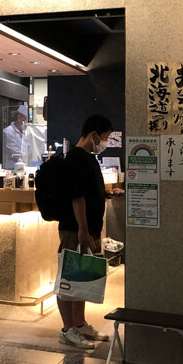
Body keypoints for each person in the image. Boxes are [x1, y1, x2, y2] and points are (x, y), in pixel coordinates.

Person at [57, 113, 122, 349]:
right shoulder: (76, 158)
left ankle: (80, 324)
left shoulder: (87, 158)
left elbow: (89, 192)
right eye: (104, 137)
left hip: (87, 228)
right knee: (68, 279)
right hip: (75, 228)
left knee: (81, 278)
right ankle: (67, 329)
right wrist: (83, 229)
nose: (105, 142)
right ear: (93, 134)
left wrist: (107, 195)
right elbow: (77, 197)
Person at [2, 104, 29, 169]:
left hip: (24, 166)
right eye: (26, 119)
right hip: (11, 168)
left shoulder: (25, 131)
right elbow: (14, 151)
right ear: (19, 118)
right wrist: (29, 155)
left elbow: (29, 147)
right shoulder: (8, 131)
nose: (27, 122)